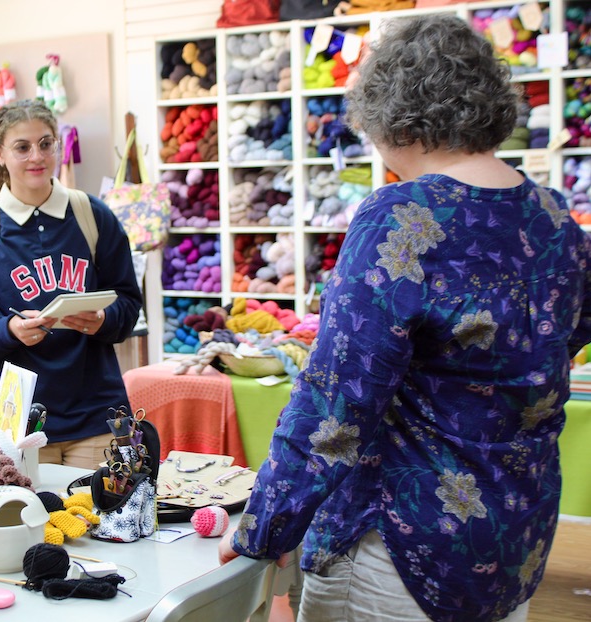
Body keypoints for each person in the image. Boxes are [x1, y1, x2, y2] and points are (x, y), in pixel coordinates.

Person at [218, 14, 591, 622]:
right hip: (514, 533)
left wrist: (266, 525)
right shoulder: (552, 216)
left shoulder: (403, 218)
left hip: (401, 543)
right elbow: (560, 338)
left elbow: (337, 400)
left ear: (400, 115)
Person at [0, 99, 142, 469]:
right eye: (22, 147)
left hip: (93, 411)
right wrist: (8, 329)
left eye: (46, 143)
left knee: (97, 520)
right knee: (24, 523)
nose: (37, 156)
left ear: (58, 146)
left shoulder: (93, 217)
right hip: (12, 419)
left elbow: (129, 303)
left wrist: (104, 319)